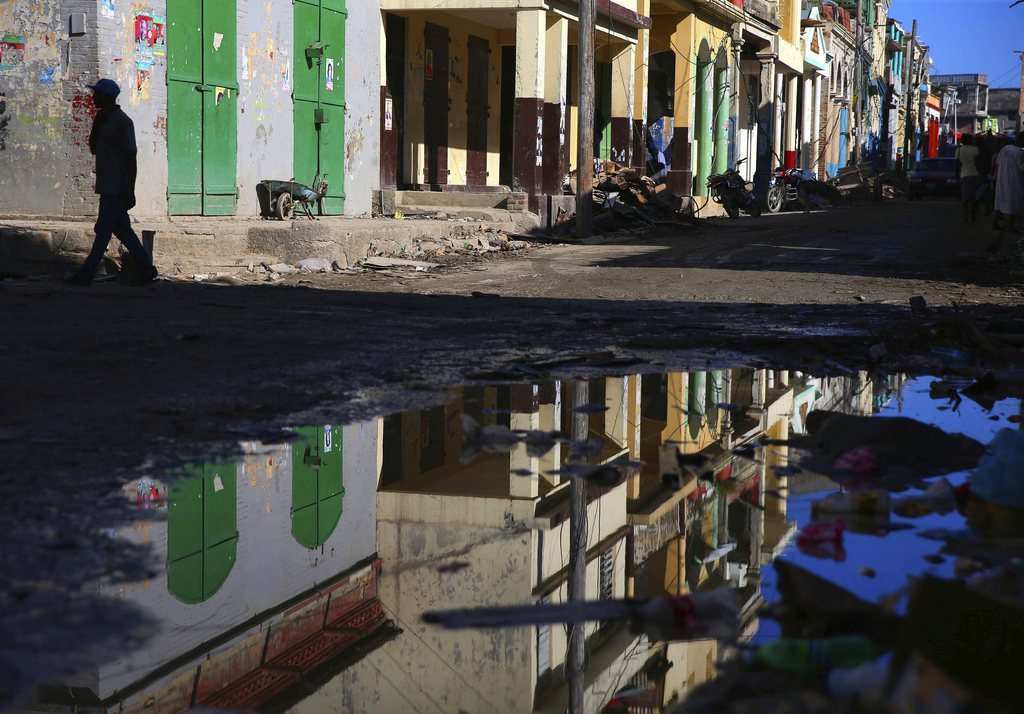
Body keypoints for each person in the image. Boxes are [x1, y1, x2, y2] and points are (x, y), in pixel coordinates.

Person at [67, 79, 156, 286]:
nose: (93, 98)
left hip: (117, 186)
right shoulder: (103, 119)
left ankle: (86, 273)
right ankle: (147, 267)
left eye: (97, 94)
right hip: (107, 184)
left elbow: (131, 158)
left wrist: (130, 190)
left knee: (103, 230)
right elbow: (94, 148)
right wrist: (97, 123)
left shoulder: (123, 122)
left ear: (107, 97)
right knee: (122, 229)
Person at [992, 132, 1024, 238]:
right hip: (1013, 181)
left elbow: (998, 163)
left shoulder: (1004, 149)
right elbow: (1022, 168)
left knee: (999, 203)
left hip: (1001, 179)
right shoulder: (1019, 152)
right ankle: (1010, 226)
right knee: (1013, 203)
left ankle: (995, 224)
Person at [954, 134, 981, 223]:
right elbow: (978, 162)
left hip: (963, 175)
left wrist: (957, 175)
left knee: (965, 197)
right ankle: (973, 215)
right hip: (974, 174)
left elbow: (958, 164)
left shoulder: (958, 150)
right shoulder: (975, 150)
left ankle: (965, 215)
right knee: (974, 197)